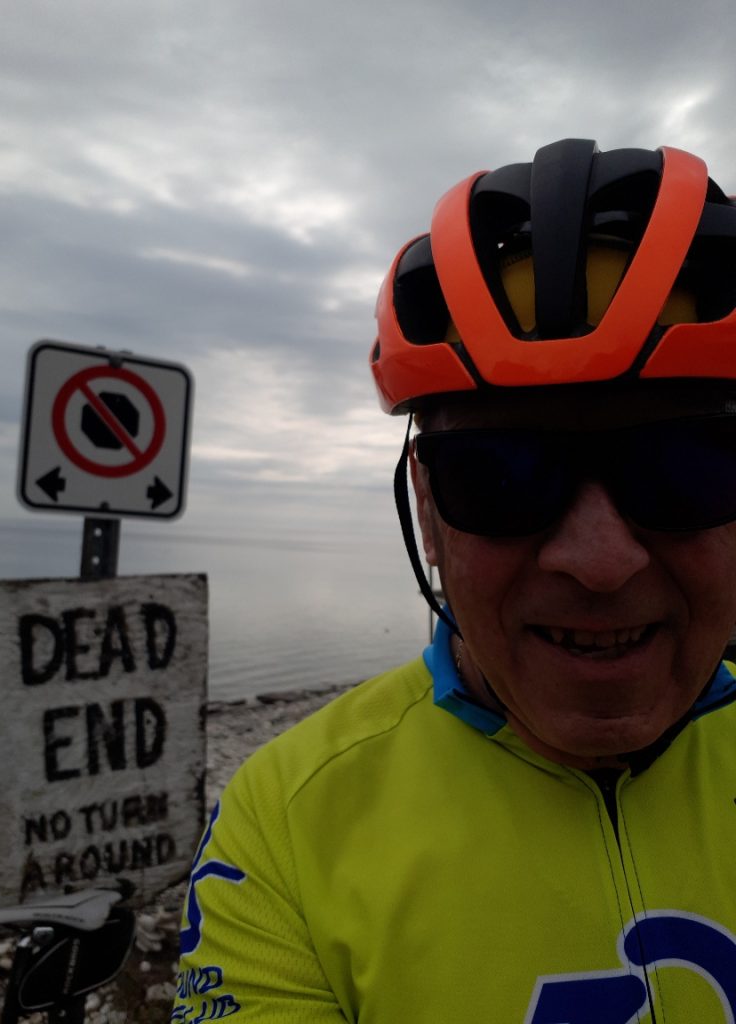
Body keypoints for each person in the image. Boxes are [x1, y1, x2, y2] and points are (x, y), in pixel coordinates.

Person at [172, 138, 736, 1022]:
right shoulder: (286, 820)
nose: (600, 561)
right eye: (500, 476)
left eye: (685, 467)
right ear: (428, 510)